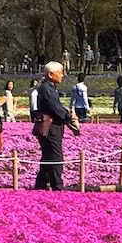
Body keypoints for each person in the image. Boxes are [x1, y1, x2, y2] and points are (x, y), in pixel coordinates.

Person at [30, 62, 73, 191]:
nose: (62, 75)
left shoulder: (49, 87)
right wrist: (68, 115)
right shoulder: (46, 89)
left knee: (48, 155)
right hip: (51, 127)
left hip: (51, 126)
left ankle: (41, 184)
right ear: (50, 74)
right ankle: (57, 185)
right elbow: (55, 108)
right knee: (55, 155)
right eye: (60, 72)